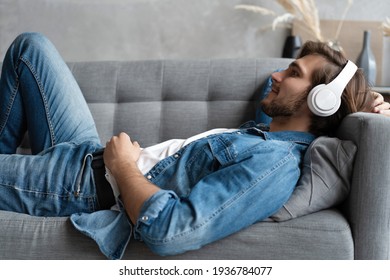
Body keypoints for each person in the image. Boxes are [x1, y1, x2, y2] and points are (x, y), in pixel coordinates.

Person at [0, 33, 388, 259]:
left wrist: (123, 168)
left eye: (293, 74)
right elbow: (267, 101)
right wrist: (363, 96)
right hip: (89, 155)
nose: (275, 75)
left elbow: (173, 231)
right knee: (30, 49)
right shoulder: (268, 134)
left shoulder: (274, 166)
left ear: (322, 101)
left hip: (85, 185)